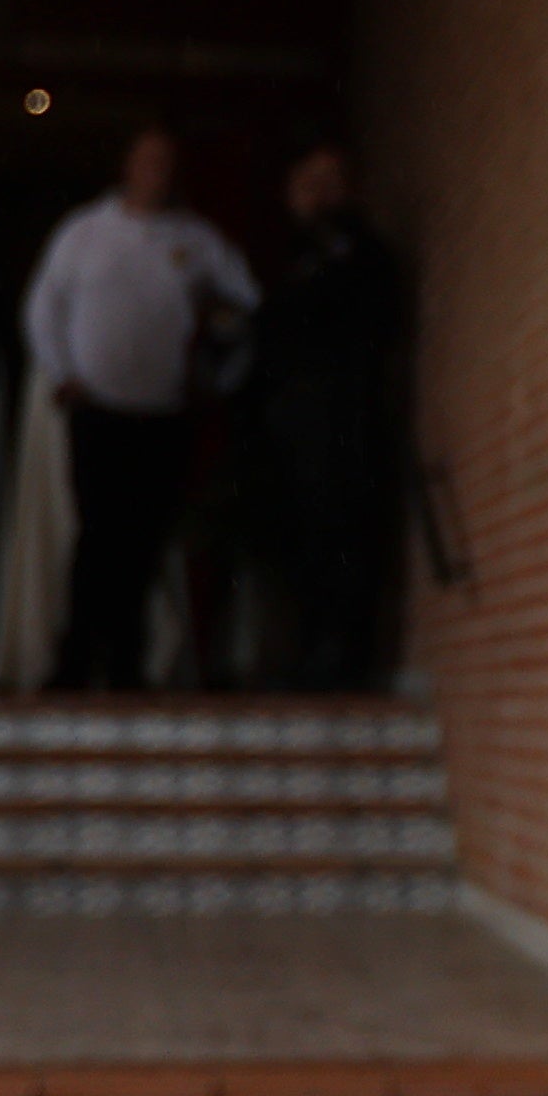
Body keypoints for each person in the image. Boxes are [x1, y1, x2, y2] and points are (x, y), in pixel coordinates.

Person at [19, 121, 256, 689]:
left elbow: (247, 304)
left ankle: (128, 665)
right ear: (127, 166)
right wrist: (62, 375)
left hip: (163, 415)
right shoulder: (83, 232)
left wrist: (216, 370)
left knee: (143, 540)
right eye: (148, 160)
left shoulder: (198, 240)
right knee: (96, 534)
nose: (158, 172)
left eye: (167, 162)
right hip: (97, 410)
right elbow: (42, 308)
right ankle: (76, 661)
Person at [238, 144, 412, 689]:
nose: (315, 194)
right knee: (297, 545)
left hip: (343, 424)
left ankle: (343, 661)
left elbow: (376, 320)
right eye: (305, 184)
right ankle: (306, 656)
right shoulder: (288, 260)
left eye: (327, 181)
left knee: (344, 540)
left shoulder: (359, 252)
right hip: (289, 431)